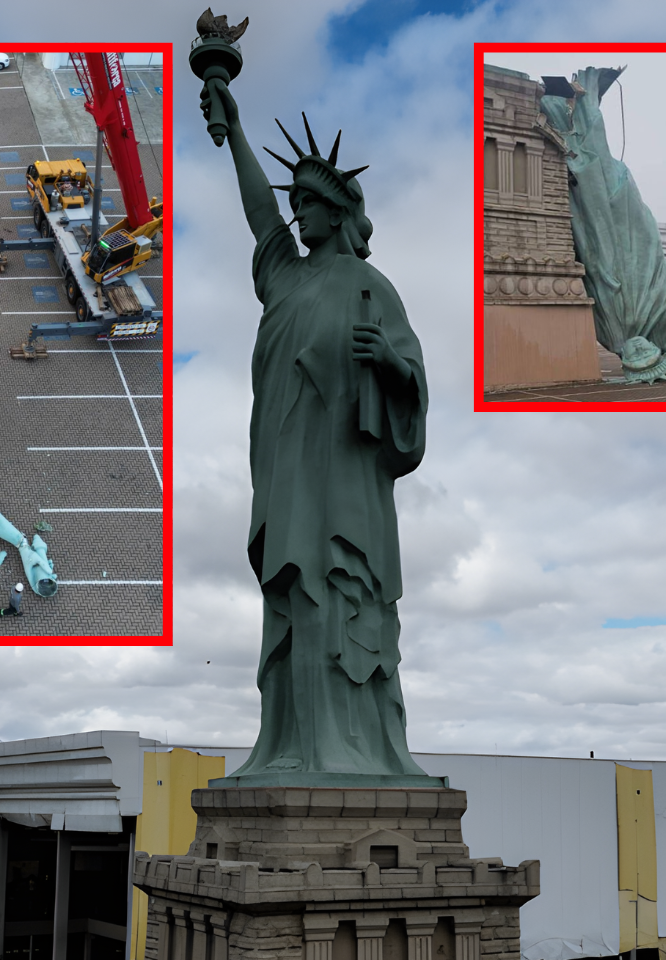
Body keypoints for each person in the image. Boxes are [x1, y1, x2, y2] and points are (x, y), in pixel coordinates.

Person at [199, 81, 431, 781]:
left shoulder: (370, 286)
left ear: (337, 212)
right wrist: (235, 128)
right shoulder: (286, 280)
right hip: (286, 465)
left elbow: (414, 383)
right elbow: (257, 215)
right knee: (292, 596)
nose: (296, 215)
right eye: (295, 203)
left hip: (346, 478)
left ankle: (352, 749)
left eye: (308, 204)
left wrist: (389, 362)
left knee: (339, 594)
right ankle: (291, 743)